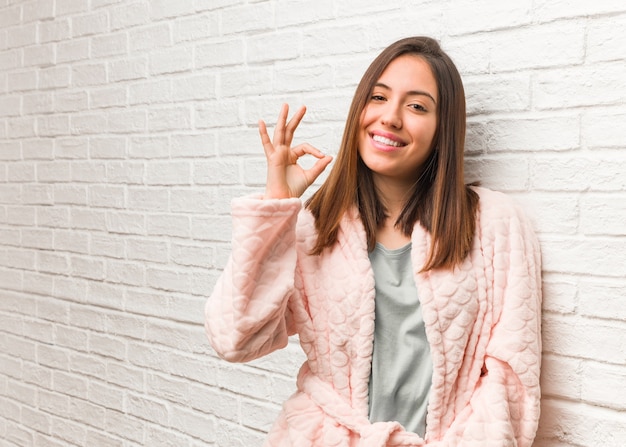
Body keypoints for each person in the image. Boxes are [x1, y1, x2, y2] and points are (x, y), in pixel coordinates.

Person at [205, 36, 542, 447]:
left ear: (443, 129)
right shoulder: (315, 227)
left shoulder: (494, 224)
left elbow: (512, 379)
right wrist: (278, 206)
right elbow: (235, 339)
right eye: (378, 97)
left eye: (417, 106)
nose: (391, 118)